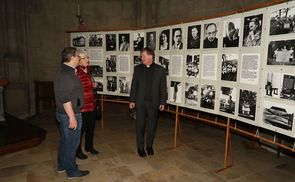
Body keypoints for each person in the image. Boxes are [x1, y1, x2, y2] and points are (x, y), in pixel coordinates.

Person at [54, 47, 89, 179]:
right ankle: (72, 171)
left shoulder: (66, 71)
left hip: (66, 114)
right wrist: (72, 118)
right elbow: (65, 98)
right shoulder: (65, 74)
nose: (79, 58)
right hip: (70, 114)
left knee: (65, 141)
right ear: (72, 57)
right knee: (71, 144)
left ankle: (62, 165)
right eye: (77, 56)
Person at [129, 47, 167, 157]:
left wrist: (162, 102)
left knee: (151, 127)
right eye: (141, 56)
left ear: (150, 56)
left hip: (154, 104)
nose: (141, 58)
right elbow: (134, 86)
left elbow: (163, 88)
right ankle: (140, 148)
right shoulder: (138, 69)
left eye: (143, 56)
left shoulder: (160, 70)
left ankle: (149, 146)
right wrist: (132, 100)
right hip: (140, 103)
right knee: (140, 126)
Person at [75, 50, 99, 160]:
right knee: (81, 130)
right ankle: (78, 150)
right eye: (84, 58)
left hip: (91, 105)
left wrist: (93, 85)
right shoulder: (76, 72)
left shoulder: (88, 71)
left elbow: (87, 85)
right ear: (78, 60)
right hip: (82, 107)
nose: (87, 60)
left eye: (87, 57)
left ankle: (89, 147)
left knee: (91, 128)